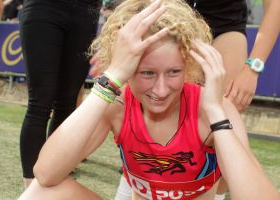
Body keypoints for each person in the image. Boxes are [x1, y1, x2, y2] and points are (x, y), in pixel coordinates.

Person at [18, 0, 280, 199]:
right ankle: (128, 186)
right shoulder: (117, 105)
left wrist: (216, 111)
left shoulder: (210, 108)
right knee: (38, 193)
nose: (161, 89)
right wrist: (111, 79)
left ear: (188, 66)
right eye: (147, 73)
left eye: (174, 72)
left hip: (221, 25)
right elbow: (45, 174)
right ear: (128, 68)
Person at [19, 0, 100, 188]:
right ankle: (32, 190)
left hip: (86, 12)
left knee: (67, 103)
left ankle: (54, 176)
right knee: (40, 103)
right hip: (43, 8)